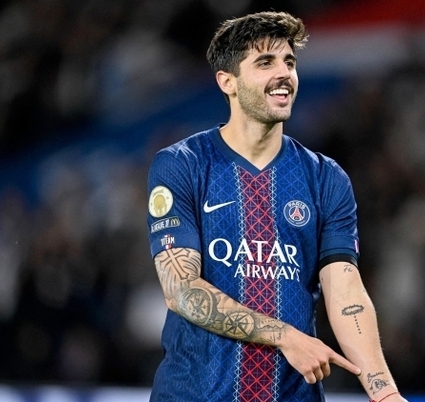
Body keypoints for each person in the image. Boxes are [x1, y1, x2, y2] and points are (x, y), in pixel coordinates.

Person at [146, 10, 407, 402]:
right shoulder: (183, 165)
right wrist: (285, 336)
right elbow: (182, 290)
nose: (284, 73)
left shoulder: (325, 177)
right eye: (265, 62)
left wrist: (383, 391)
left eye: (289, 62)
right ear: (228, 81)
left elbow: (345, 292)